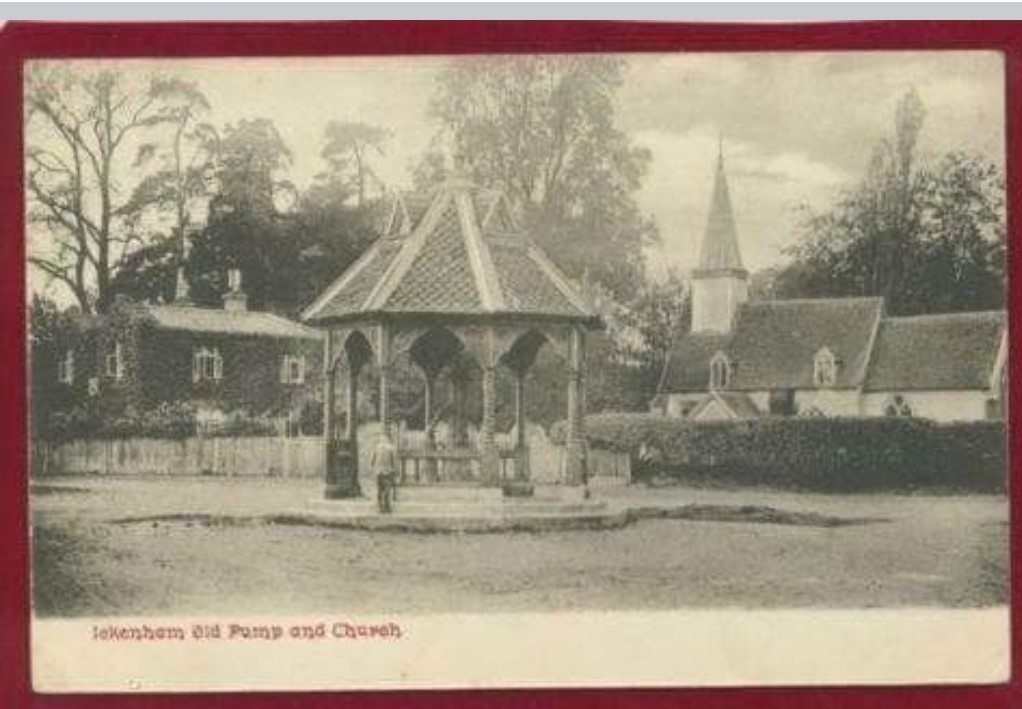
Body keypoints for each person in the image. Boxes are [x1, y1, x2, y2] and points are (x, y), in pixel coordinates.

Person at [370, 432, 399, 514]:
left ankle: (380, 507)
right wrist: (395, 471)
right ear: (388, 439)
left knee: (379, 490)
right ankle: (387, 507)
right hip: (387, 471)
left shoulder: (376, 448)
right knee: (387, 490)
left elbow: (371, 460)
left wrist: (373, 469)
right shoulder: (391, 448)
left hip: (378, 471)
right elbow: (394, 461)